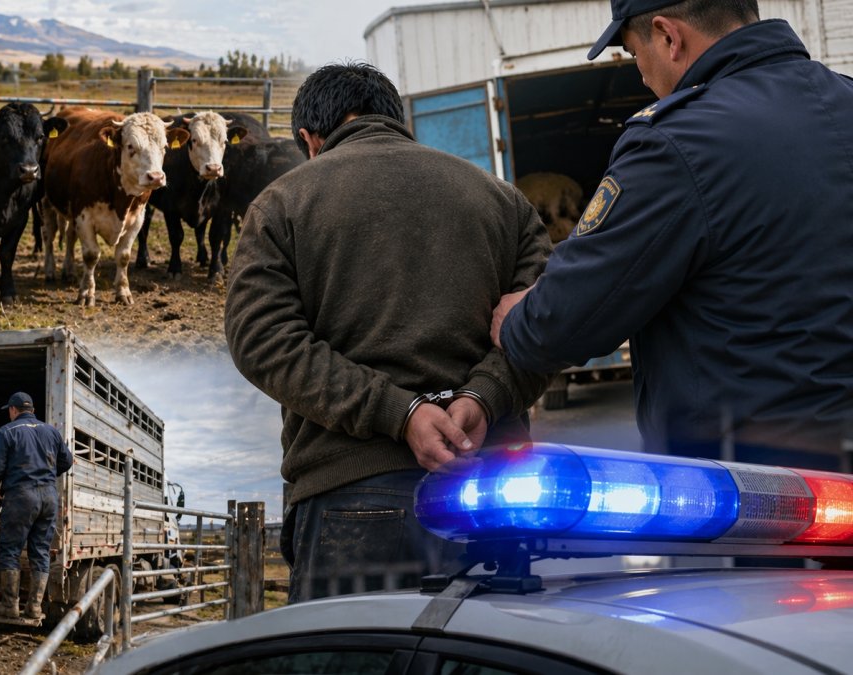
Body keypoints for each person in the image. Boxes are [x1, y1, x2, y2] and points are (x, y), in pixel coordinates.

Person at [224, 62, 552, 603]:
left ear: (309, 138)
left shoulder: (282, 204)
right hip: (495, 491)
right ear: (394, 119)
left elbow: (263, 339)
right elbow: (544, 325)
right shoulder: (502, 200)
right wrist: (483, 398)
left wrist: (398, 413)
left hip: (352, 495)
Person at [493, 0, 853, 469]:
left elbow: (564, 323)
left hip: (761, 494)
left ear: (668, 36)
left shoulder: (676, 144)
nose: (641, 74)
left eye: (633, 52)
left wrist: (518, 320)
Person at [0, 391, 74, 619]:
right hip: (48, 497)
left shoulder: (7, 431)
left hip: (21, 496)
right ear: (32, 411)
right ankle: (34, 607)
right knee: (41, 552)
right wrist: (47, 475)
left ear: (13, 410)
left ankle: (9, 605)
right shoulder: (51, 431)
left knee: (10, 549)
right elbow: (67, 461)